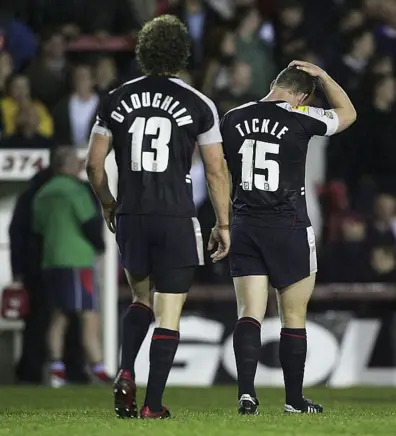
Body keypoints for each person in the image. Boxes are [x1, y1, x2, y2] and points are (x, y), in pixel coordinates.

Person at [85, 15, 231, 419]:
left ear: (142, 52)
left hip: (132, 214)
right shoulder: (199, 102)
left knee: (140, 299)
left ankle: (126, 370)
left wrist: (109, 204)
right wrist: (223, 224)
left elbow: (94, 166)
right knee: (170, 311)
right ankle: (151, 405)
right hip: (176, 217)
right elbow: (216, 169)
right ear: (182, 53)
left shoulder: (116, 98)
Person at [220, 60, 356, 414]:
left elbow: (218, 171)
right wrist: (324, 77)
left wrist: (221, 220)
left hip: (246, 225)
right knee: (292, 316)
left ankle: (246, 394)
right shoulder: (301, 116)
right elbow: (348, 114)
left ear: (273, 84)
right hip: (289, 226)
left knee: (249, 312)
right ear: (302, 96)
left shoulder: (233, 117)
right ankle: (294, 400)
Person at [31, 147, 107, 387]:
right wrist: (100, 246)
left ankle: (56, 369)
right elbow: (89, 223)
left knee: (59, 316)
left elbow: (38, 229)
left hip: (51, 260)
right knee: (89, 315)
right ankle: (99, 368)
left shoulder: (43, 193)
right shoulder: (75, 190)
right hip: (77, 261)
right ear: (69, 165)